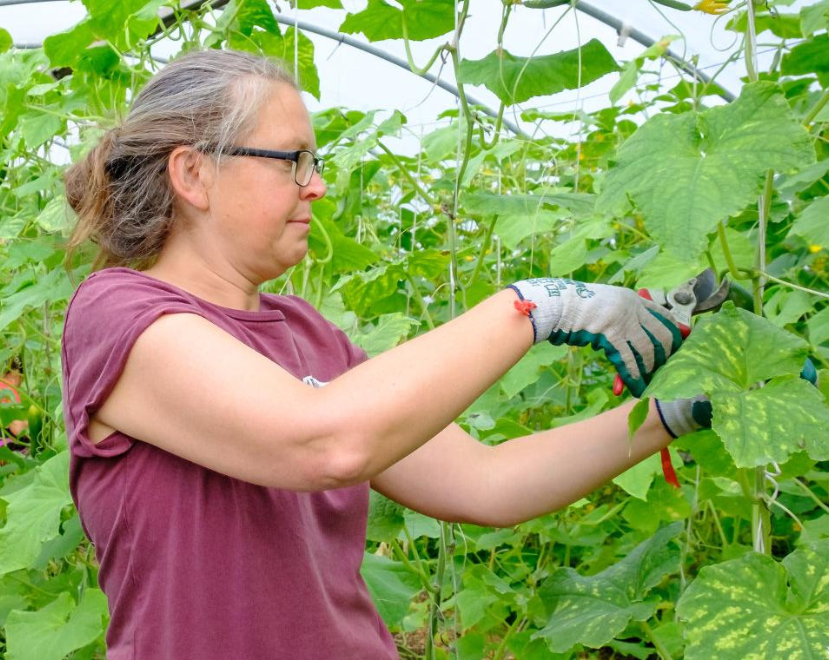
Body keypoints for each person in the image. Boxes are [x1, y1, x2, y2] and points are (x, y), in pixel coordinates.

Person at [59, 50, 703, 659]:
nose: (316, 186)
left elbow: (488, 481)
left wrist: (672, 415)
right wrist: (537, 307)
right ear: (194, 174)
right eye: (294, 161)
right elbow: (325, 443)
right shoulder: (119, 314)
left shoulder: (308, 335)